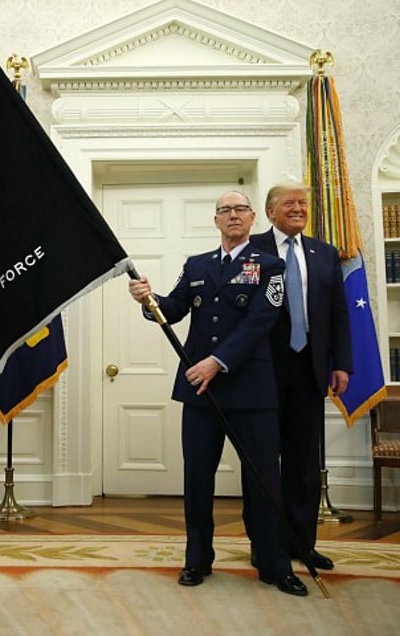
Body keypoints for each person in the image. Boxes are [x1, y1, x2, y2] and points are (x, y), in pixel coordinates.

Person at [129, 190, 308, 596]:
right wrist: (147, 300)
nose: (232, 216)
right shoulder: (196, 265)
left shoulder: (270, 265)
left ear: (252, 219)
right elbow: (172, 308)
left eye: (240, 209)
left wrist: (217, 361)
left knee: (263, 480)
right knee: (197, 479)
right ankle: (197, 559)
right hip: (199, 393)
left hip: (251, 391)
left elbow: (260, 322)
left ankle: (273, 563)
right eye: (224, 210)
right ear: (215, 220)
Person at [249, 183, 352, 571]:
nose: (298, 208)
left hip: (309, 368)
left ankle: (301, 544)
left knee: (303, 463)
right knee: (262, 463)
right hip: (260, 370)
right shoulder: (252, 249)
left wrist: (341, 363)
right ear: (270, 210)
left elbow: (338, 313)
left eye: (303, 203)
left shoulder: (324, 254)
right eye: (289, 203)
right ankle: (264, 546)